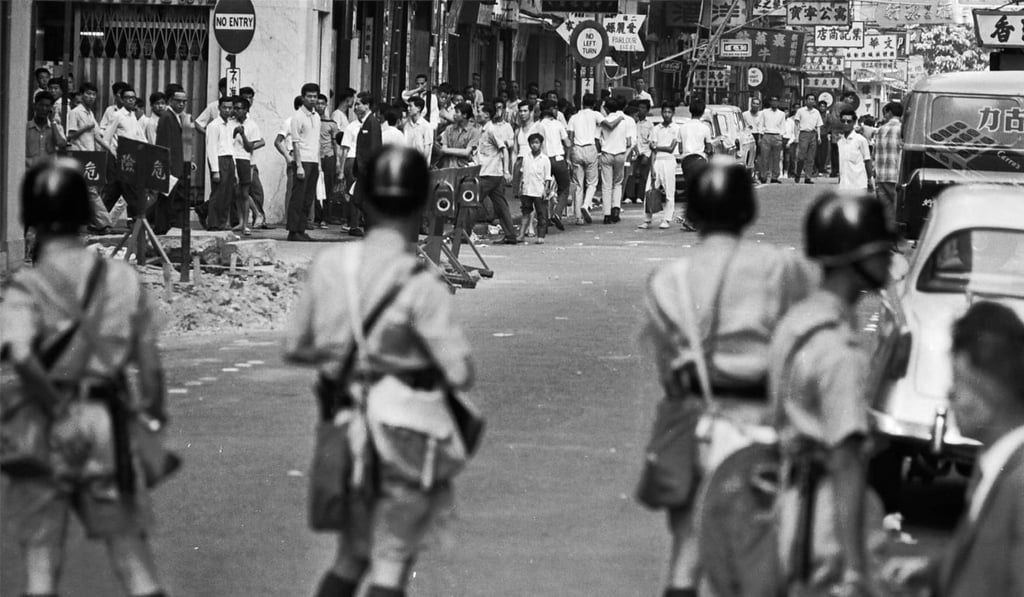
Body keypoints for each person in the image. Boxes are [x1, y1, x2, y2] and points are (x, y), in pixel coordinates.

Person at [284, 146, 474, 597]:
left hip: (343, 426)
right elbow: (461, 372)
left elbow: (295, 346)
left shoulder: (330, 266)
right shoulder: (420, 281)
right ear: (423, 204)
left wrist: (347, 357)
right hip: (404, 436)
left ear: (364, 201)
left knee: (350, 556)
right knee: (390, 560)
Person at [641, 161, 816, 597]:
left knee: (686, 544)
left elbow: (665, 366)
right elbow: (796, 347)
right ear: (747, 210)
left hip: (692, 424)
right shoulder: (780, 269)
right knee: (753, 549)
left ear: (694, 212)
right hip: (756, 427)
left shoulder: (668, 280)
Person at [2, 159, 172, 597]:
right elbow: (149, 362)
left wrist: (58, 411)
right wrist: (152, 416)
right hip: (106, 423)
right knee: (131, 559)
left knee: (41, 562)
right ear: (83, 213)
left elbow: (19, 355)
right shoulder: (121, 279)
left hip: (43, 422)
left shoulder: (27, 286)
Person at [769, 191, 896, 597]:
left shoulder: (797, 321)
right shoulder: (841, 353)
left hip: (789, 502)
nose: (890, 259)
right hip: (824, 521)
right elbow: (846, 463)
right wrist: (856, 569)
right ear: (853, 257)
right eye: (881, 250)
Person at [882, 302, 1024, 597]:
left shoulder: (1019, 482)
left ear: (985, 389)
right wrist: (935, 570)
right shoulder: (998, 467)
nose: (950, 398)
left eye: (957, 384)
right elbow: (990, 559)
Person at [67, 82, 113, 233]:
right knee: (91, 190)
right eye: (88, 93)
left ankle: (86, 222)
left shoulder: (90, 113)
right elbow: (71, 135)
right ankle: (104, 223)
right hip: (79, 155)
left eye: (93, 94)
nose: (91, 97)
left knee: (85, 191)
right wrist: (86, 128)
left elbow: (97, 136)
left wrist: (111, 150)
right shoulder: (75, 112)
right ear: (81, 95)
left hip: (90, 156)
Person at [101, 86, 146, 219]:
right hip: (119, 159)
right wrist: (114, 154)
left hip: (132, 160)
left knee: (115, 191)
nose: (131, 101)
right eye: (127, 98)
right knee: (128, 190)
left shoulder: (132, 116)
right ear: (122, 99)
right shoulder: (117, 115)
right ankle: (136, 219)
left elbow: (140, 137)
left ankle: (99, 221)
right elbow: (106, 138)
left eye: (133, 98)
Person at [475, 102, 516, 244]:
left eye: (479, 111)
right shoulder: (483, 130)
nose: (477, 113)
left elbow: (503, 148)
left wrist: (506, 170)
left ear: (486, 114)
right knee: (501, 206)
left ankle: (462, 233)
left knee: (471, 201)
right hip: (492, 173)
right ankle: (511, 234)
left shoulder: (491, 130)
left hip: (489, 173)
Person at [287, 83, 323, 242]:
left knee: (308, 199)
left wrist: (319, 164)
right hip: (302, 162)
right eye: (309, 96)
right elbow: (295, 142)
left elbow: (317, 142)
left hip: (313, 161)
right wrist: (299, 165)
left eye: (315, 96)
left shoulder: (316, 116)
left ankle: (301, 229)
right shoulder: (297, 116)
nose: (312, 99)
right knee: (298, 198)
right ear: (303, 97)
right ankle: (293, 231)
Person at [152, 85, 190, 236]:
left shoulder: (178, 117)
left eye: (184, 101)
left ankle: (167, 228)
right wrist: (166, 167)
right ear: (169, 100)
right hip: (170, 167)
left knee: (174, 202)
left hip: (177, 166)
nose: (181, 104)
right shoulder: (167, 117)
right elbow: (163, 144)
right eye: (177, 101)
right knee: (165, 202)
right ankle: (161, 231)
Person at [529, 99, 571, 231]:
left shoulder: (537, 125)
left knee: (543, 191)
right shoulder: (558, 124)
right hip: (558, 159)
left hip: (543, 160)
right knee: (564, 188)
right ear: (553, 110)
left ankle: (543, 222)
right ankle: (557, 213)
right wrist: (568, 157)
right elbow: (568, 143)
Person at [639, 101, 680, 230]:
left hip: (669, 161)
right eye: (664, 112)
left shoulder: (676, 128)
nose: (666, 115)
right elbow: (652, 150)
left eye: (669, 112)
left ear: (673, 114)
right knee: (649, 190)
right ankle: (647, 219)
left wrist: (657, 147)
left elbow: (671, 148)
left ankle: (666, 219)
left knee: (669, 191)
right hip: (657, 161)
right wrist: (652, 167)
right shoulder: (656, 129)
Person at [675, 99, 713, 232]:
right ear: (702, 112)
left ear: (690, 111)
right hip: (699, 160)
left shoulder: (682, 127)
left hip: (686, 161)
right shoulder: (705, 128)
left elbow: (679, 148)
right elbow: (709, 147)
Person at [204, 95, 239, 230]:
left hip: (229, 159)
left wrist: (234, 166)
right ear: (219, 108)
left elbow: (232, 146)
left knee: (228, 194)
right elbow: (211, 148)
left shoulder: (230, 125)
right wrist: (215, 170)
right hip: (219, 159)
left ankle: (222, 222)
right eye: (224, 107)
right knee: (218, 193)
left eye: (230, 108)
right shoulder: (213, 126)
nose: (227, 110)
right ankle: (213, 223)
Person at [232, 96, 265, 236]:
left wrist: (242, 134)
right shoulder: (229, 123)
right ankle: (240, 221)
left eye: (239, 109)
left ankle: (246, 223)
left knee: (245, 193)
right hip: (232, 159)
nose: (236, 111)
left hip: (245, 160)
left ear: (246, 110)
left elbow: (250, 147)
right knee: (235, 192)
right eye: (235, 108)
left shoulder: (252, 125)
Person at [567, 93, 601, 225]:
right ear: (593, 104)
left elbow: (570, 137)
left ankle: (578, 217)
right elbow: (606, 124)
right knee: (592, 183)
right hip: (590, 148)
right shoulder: (596, 115)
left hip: (577, 149)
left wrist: (568, 156)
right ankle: (586, 205)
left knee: (578, 185)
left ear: (582, 103)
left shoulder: (573, 118)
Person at [239, 86, 270, 228]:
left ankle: (258, 216)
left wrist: (250, 146)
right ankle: (255, 216)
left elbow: (261, 141)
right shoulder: (235, 118)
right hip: (238, 160)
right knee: (241, 190)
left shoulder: (250, 121)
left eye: (250, 98)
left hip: (250, 160)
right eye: (245, 98)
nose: (248, 101)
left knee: (255, 190)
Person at [599, 97, 631, 224]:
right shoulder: (624, 122)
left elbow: (598, 138)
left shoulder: (603, 121)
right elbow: (628, 141)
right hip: (620, 154)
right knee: (617, 183)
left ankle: (606, 215)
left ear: (606, 109)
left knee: (606, 185)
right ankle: (616, 210)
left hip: (606, 153)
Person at [518, 132, 554, 244]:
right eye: (532, 143)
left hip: (539, 190)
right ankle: (521, 234)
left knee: (541, 213)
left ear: (541, 144)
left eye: (536, 143)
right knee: (525, 212)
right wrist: (520, 187)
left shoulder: (545, 159)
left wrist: (546, 190)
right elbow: (523, 174)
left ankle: (541, 236)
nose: (534, 145)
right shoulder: (526, 158)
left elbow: (548, 177)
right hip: (527, 189)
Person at [873, 102, 902, 220]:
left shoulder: (879, 130)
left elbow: (874, 153)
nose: (884, 115)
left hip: (880, 177)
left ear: (889, 112)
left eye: (884, 112)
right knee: (898, 213)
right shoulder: (902, 129)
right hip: (896, 176)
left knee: (886, 215)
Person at [316, 93, 340, 230]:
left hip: (328, 157)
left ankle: (325, 217)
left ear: (326, 105)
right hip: (314, 158)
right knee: (315, 188)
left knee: (328, 188)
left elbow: (336, 143)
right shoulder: (312, 121)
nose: (319, 106)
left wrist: (337, 162)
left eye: (322, 103)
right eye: (317, 103)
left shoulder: (331, 124)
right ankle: (316, 217)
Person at [836, 108, 874, 192]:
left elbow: (867, 160)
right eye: (843, 121)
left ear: (853, 122)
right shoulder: (840, 142)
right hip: (844, 186)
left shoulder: (861, 140)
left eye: (849, 121)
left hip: (859, 185)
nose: (845, 124)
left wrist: (870, 180)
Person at [26, 92, 68, 168]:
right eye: (41, 105)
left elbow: (61, 144)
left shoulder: (57, 127)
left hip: (49, 173)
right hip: (30, 173)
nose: (44, 109)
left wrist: (53, 122)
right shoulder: (26, 128)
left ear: (51, 108)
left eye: (47, 106)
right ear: (35, 106)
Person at [794, 93, 824, 184]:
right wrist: (796, 136)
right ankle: (798, 173)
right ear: (806, 100)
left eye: (813, 99)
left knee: (811, 157)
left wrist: (819, 136)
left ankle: (808, 177)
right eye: (809, 99)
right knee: (801, 157)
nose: (811, 101)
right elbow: (796, 125)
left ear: (814, 102)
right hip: (803, 134)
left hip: (813, 135)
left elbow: (818, 125)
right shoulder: (800, 111)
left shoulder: (816, 112)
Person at [758, 96, 786, 184]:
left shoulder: (782, 114)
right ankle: (763, 176)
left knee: (776, 158)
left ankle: (774, 177)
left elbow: (783, 126)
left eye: (776, 101)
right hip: (766, 135)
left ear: (778, 103)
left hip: (777, 136)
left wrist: (781, 136)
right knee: (764, 157)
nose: (774, 103)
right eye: (773, 101)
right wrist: (760, 136)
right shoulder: (764, 112)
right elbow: (761, 124)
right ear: (770, 102)